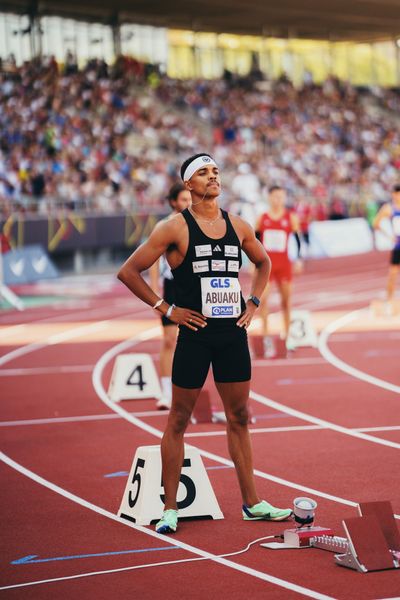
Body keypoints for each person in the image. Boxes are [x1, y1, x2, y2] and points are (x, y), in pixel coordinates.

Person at [118, 152, 292, 534]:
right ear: (189, 185)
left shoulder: (239, 225)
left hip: (232, 335)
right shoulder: (173, 228)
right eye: (203, 172)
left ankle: (252, 503)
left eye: (215, 171)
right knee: (179, 418)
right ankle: (169, 508)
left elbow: (262, 264)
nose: (213, 177)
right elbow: (129, 271)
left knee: (240, 417)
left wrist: (255, 302)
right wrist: (167, 308)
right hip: (195, 335)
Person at [149, 183, 191, 409]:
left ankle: (189, 392)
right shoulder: (163, 225)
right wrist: (154, 290)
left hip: (194, 287)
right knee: (169, 340)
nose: (188, 203)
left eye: (190, 199)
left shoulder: (197, 223)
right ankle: (166, 393)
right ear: (174, 202)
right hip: (172, 287)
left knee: (195, 342)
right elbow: (153, 259)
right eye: (183, 200)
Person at [255, 185, 302, 354]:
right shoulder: (262, 218)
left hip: (284, 265)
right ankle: (266, 337)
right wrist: (254, 263)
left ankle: (288, 336)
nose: (278, 200)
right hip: (267, 266)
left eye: (281, 197)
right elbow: (254, 241)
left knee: (286, 302)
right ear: (269, 198)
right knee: (263, 301)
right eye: (275, 197)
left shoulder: (291, 218)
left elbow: (297, 240)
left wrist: (298, 260)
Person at [373, 184, 400, 306]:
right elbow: (376, 223)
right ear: (393, 195)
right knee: (392, 274)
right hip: (398, 246)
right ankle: (389, 301)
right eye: (397, 194)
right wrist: (389, 236)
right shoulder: (389, 208)